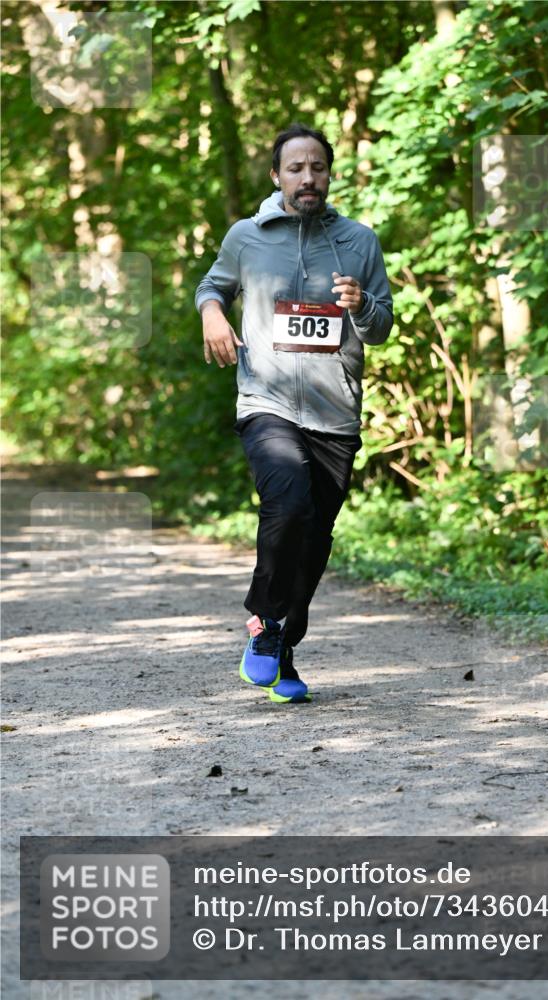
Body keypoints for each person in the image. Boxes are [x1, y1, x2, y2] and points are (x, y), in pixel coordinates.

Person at [194, 122, 393, 704]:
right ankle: (262, 618)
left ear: (329, 174)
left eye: (318, 168)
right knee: (288, 502)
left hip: (336, 414)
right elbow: (213, 285)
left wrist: (361, 305)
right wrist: (212, 315)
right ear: (276, 176)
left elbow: (381, 327)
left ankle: (282, 648)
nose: (309, 178)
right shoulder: (247, 237)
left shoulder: (359, 241)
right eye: (296, 168)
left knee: (315, 537)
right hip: (267, 402)